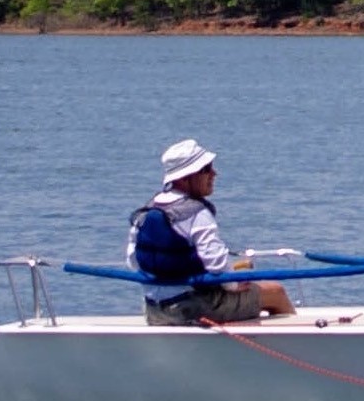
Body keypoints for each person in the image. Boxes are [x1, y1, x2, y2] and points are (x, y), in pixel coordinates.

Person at [127, 139, 296, 327]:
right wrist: (237, 284)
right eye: (206, 169)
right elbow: (217, 265)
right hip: (193, 308)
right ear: (185, 178)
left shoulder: (146, 212)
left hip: (154, 310)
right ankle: (293, 347)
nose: (214, 174)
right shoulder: (197, 212)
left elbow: (133, 262)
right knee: (275, 292)